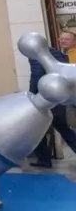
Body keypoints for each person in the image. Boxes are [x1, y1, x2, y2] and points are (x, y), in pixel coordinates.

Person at [29, 30, 76, 168]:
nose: (62, 41)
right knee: (62, 126)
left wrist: (32, 96)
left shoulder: (36, 55)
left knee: (37, 128)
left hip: (46, 97)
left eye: (66, 39)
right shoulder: (60, 54)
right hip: (60, 96)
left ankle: (44, 159)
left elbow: (36, 76)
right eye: (61, 38)